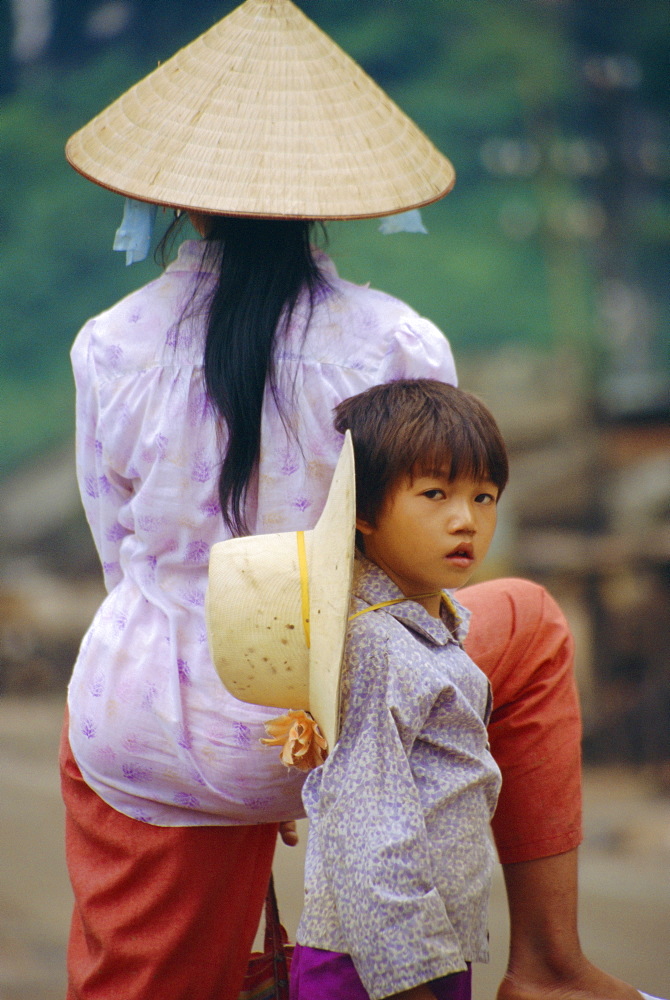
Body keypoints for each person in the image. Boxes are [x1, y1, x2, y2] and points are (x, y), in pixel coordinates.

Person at [59, 2, 662, 999]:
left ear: (176, 199)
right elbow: (416, 568)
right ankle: (549, 965)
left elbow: (118, 562)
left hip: (160, 736)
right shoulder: (394, 342)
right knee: (534, 622)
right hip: (351, 709)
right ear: (325, 198)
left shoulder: (105, 344)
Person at [286, 379, 508, 1000]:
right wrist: (411, 984)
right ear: (363, 511)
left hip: (427, 952)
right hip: (372, 968)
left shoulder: (434, 630)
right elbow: (367, 829)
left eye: (484, 496)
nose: (465, 519)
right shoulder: (375, 646)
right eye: (434, 493)